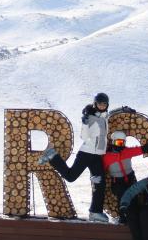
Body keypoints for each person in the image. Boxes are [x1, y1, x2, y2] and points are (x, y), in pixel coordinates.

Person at [38, 93, 134, 222]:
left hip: (97, 156)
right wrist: (85, 123)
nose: (102, 106)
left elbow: (110, 113)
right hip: (87, 153)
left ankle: (95, 212)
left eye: (104, 104)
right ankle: (52, 155)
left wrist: (122, 109)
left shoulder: (103, 116)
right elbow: (83, 136)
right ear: (95, 104)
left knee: (100, 184)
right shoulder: (90, 117)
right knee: (71, 176)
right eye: (99, 103)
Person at [103, 128, 148, 223]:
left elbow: (144, 149)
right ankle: (123, 217)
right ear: (113, 142)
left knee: (136, 195)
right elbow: (100, 169)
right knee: (123, 195)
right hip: (117, 182)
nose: (121, 145)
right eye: (119, 143)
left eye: (123, 143)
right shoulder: (106, 157)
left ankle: (138, 215)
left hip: (130, 178)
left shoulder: (127, 151)